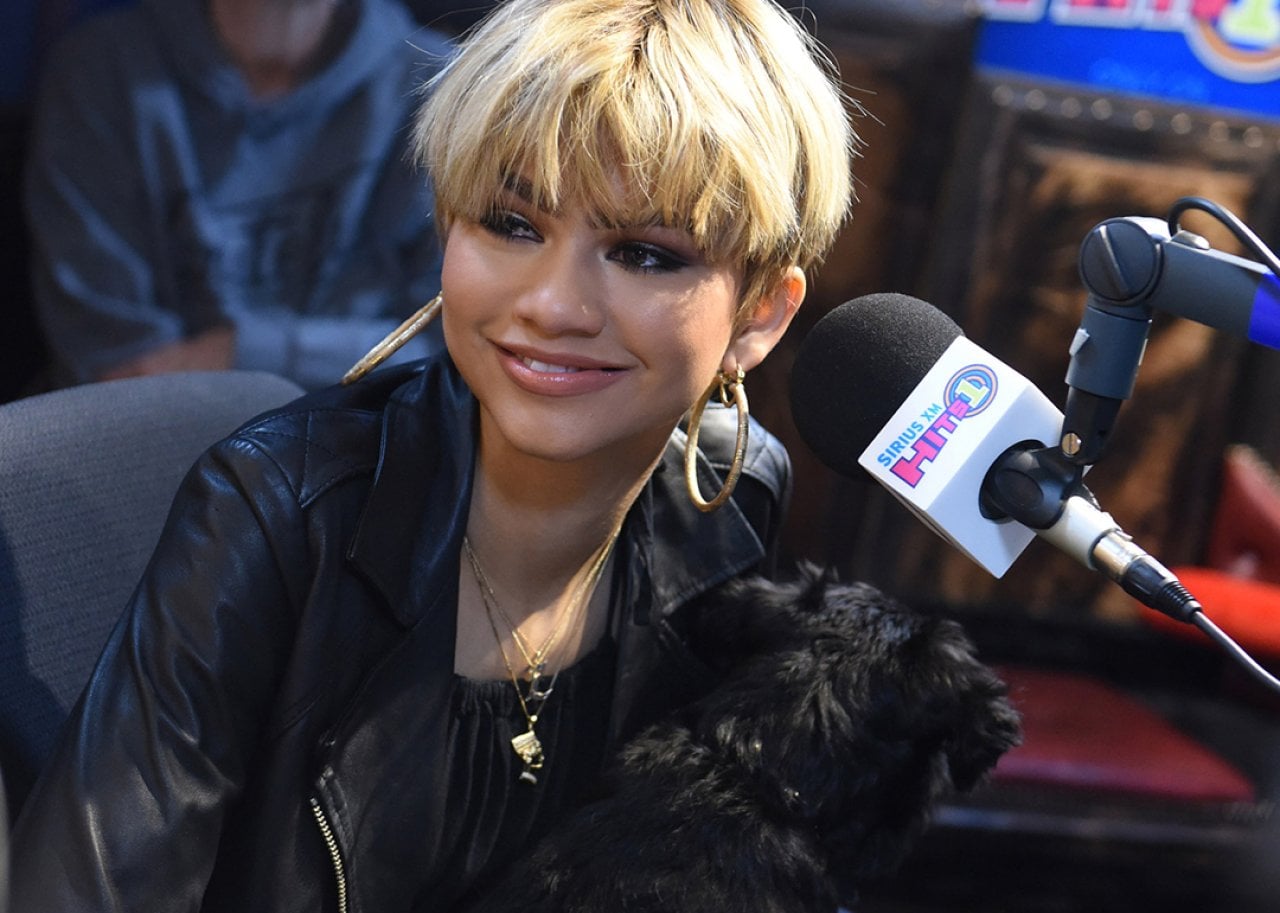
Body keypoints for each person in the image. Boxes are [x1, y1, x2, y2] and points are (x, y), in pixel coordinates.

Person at [11, 0, 855, 909]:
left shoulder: (731, 499)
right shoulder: (274, 517)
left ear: (759, 314)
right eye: (512, 224)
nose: (552, 304)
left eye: (645, 254)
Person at [24, 0, 451, 391]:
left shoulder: (439, 83)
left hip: (373, 427)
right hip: (165, 433)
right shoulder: (104, 72)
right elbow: (120, 371)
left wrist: (234, 352)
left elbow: (449, 348)